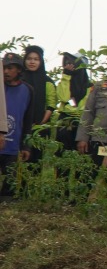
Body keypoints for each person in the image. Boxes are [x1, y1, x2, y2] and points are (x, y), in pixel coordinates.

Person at [2, 54, 39, 197]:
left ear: (18, 70)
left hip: (13, 144)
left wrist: (26, 146)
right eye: (4, 68)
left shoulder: (28, 90)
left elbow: (28, 120)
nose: (6, 72)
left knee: (9, 181)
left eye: (10, 68)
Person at [19, 46, 56, 154]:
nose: (32, 62)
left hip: (40, 128)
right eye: (29, 58)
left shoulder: (47, 82)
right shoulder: (19, 79)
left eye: (36, 59)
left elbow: (51, 106)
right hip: (19, 125)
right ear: (24, 60)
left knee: (36, 161)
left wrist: (39, 124)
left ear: (41, 61)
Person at [54, 52, 90, 151]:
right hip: (65, 121)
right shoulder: (65, 79)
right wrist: (66, 76)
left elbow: (87, 106)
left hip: (82, 121)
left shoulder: (90, 87)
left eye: (72, 64)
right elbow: (64, 98)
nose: (70, 66)